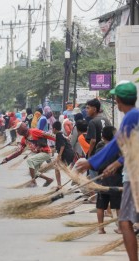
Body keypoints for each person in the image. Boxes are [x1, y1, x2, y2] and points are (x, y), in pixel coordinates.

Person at [76, 80, 139, 261]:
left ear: (119, 100)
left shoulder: (130, 117)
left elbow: (115, 144)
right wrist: (118, 163)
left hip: (134, 177)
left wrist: (91, 163)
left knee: (125, 222)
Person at [2, 122, 55, 187]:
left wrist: (60, 139)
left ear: (22, 129)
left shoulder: (34, 131)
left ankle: (33, 182)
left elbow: (48, 135)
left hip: (45, 152)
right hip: (37, 154)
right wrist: (7, 159)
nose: (17, 131)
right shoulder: (24, 139)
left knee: (30, 160)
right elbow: (19, 151)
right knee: (33, 171)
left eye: (18, 129)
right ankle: (49, 179)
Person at [95, 126, 123, 234]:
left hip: (103, 179)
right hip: (116, 179)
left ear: (102, 136)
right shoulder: (118, 149)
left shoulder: (100, 149)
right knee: (118, 205)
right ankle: (120, 228)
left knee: (101, 205)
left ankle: (101, 229)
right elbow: (122, 163)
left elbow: (96, 165)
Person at [85, 98, 111, 179]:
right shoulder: (107, 120)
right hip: (108, 154)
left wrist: (89, 156)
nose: (86, 110)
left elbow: (93, 140)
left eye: (88, 108)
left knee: (95, 182)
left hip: (96, 155)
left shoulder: (92, 122)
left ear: (94, 109)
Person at [52, 121, 75, 188]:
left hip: (67, 154)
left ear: (54, 129)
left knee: (57, 168)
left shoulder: (58, 135)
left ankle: (59, 185)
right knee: (63, 169)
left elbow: (62, 146)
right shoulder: (61, 134)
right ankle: (74, 179)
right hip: (69, 153)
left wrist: (59, 156)